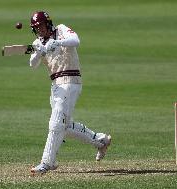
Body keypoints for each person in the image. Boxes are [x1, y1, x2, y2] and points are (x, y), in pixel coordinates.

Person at [28, 11, 111, 174]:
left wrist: (57, 43)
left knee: (55, 124)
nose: (40, 30)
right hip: (56, 86)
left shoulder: (61, 30)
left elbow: (76, 41)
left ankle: (47, 162)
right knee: (63, 126)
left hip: (71, 82)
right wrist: (39, 51)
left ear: (48, 24)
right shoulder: (38, 42)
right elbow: (32, 64)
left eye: (42, 26)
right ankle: (101, 140)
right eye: (36, 28)